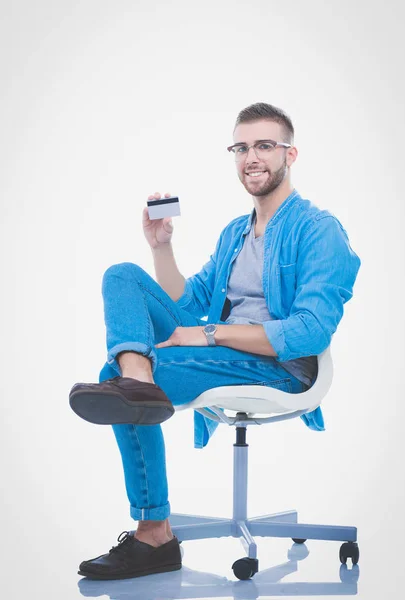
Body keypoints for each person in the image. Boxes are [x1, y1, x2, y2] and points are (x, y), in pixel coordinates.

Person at [69, 102, 361, 580]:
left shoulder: (320, 230)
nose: (252, 157)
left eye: (265, 145)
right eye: (242, 147)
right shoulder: (234, 234)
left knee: (115, 378)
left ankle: (154, 533)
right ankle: (138, 380)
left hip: (277, 368)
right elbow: (187, 305)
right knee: (121, 275)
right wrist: (161, 247)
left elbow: (310, 331)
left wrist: (204, 334)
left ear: (291, 154)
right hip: (221, 356)